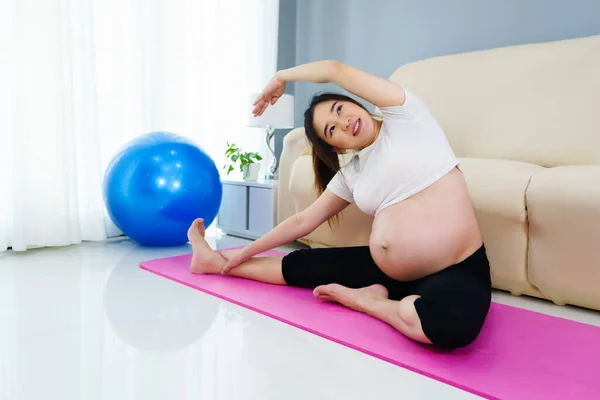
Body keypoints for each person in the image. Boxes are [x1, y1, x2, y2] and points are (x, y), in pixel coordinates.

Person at [187, 60, 491, 350]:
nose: (344, 123)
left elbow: (334, 69)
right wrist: (244, 251)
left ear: (355, 101)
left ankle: (370, 302)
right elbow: (302, 222)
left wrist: (282, 77)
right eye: (331, 130)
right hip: (386, 271)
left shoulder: (406, 117)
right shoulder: (352, 172)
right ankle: (212, 261)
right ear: (336, 147)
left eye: (340, 109)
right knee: (301, 265)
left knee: (444, 324)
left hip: (457, 267)